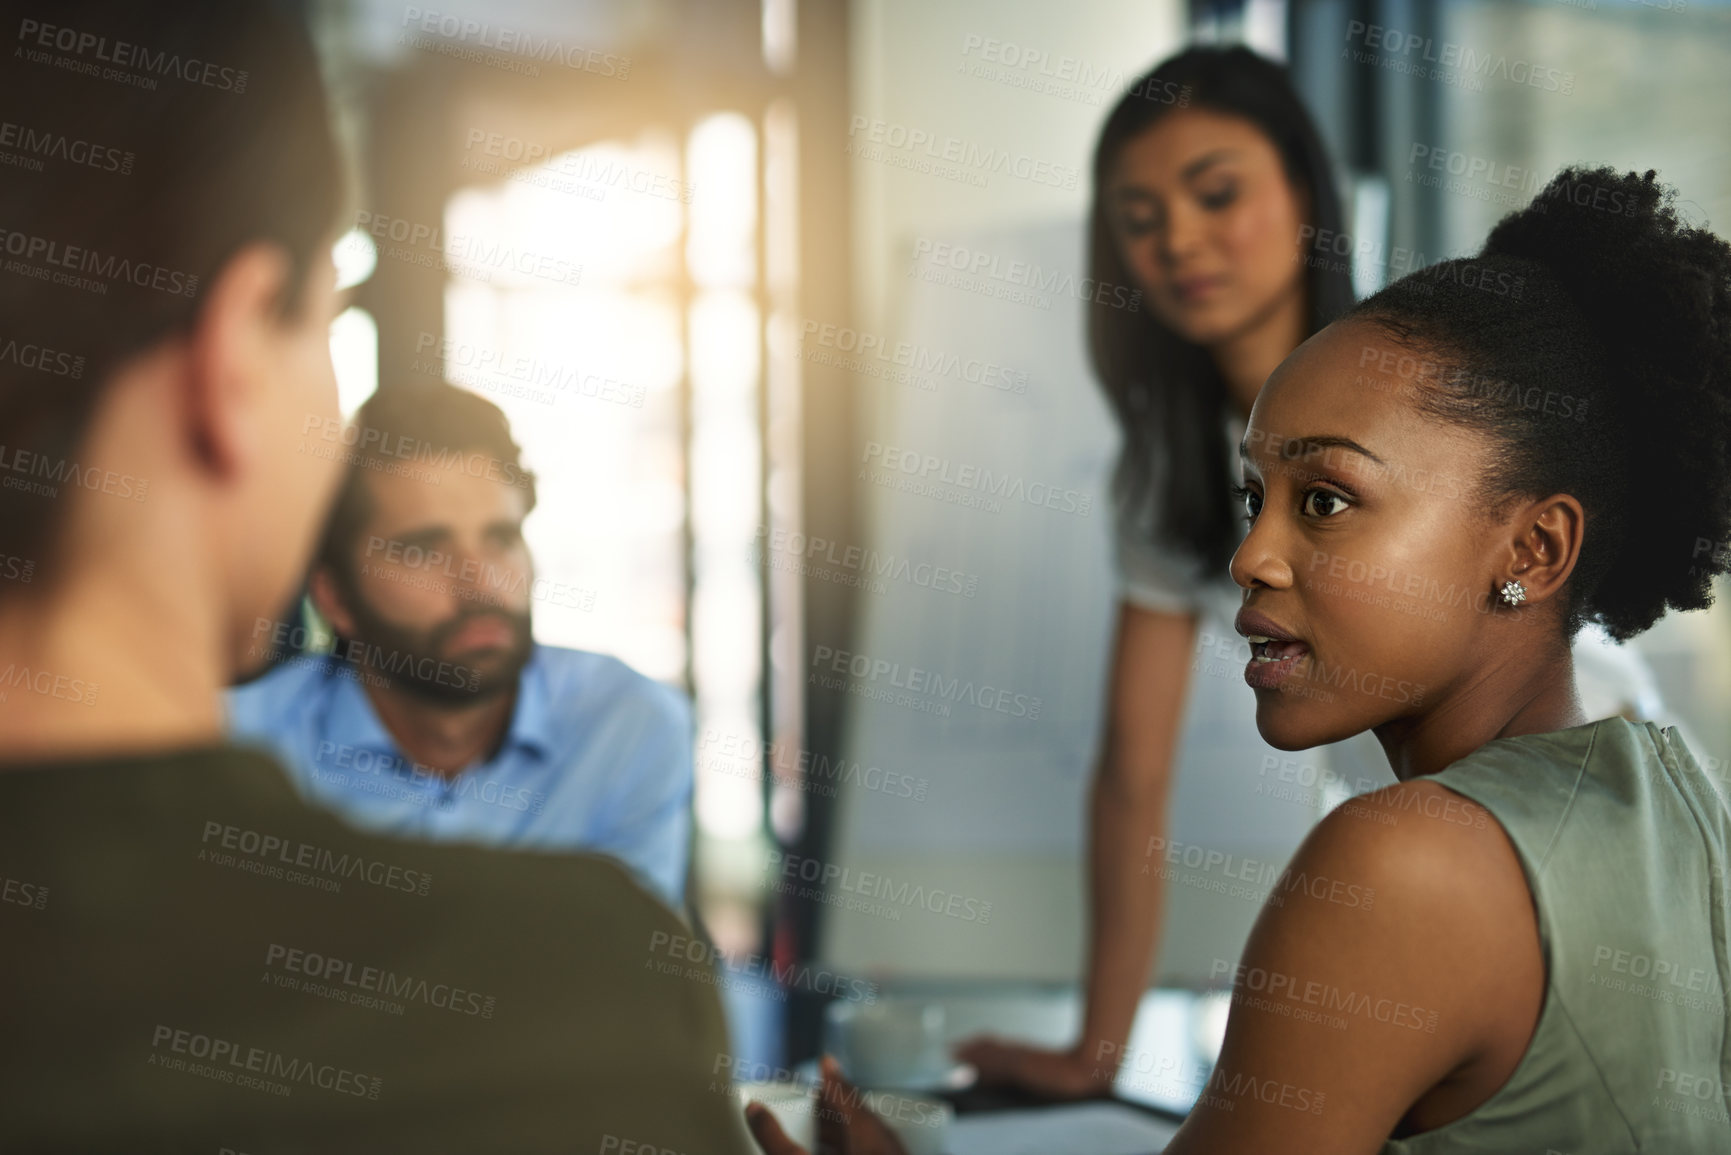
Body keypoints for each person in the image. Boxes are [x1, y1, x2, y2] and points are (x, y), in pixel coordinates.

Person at [764, 165, 1731, 1154]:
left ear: (1533, 550)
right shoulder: (1682, 802)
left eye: (1326, 499)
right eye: (1252, 499)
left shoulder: (1401, 866)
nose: (1249, 558)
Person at [0, 1, 759, 1148]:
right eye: (329, 317)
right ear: (236, 358)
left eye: (496, 536)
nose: (476, 576)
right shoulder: (587, 993)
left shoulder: (629, 738)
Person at [956, 46, 1680, 1100]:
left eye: (1215, 194)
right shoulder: (1167, 474)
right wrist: (1097, 1056)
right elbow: (1132, 773)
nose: (1179, 241)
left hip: (1557, 784)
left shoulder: (1422, 379)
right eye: (1140, 217)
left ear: (1305, 191)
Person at [227, 381, 694, 909]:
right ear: (335, 597)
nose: (481, 584)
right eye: (423, 551)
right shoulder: (236, 747)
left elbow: (626, 973)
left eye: (500, 539)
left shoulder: (624, 726)